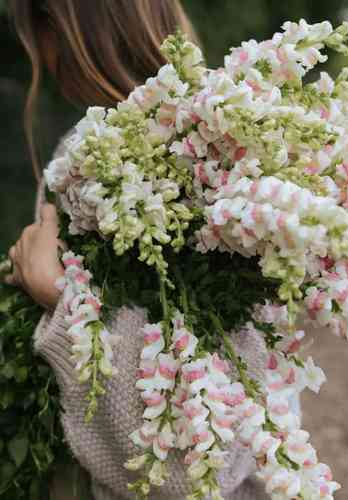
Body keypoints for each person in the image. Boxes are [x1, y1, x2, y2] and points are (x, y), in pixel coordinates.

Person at [5, 1, 273, 498]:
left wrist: (60, 299)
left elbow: (191, 467)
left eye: (38, 40)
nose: (42, 63)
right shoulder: (92, 149)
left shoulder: (210, 158)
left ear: (72, 35)